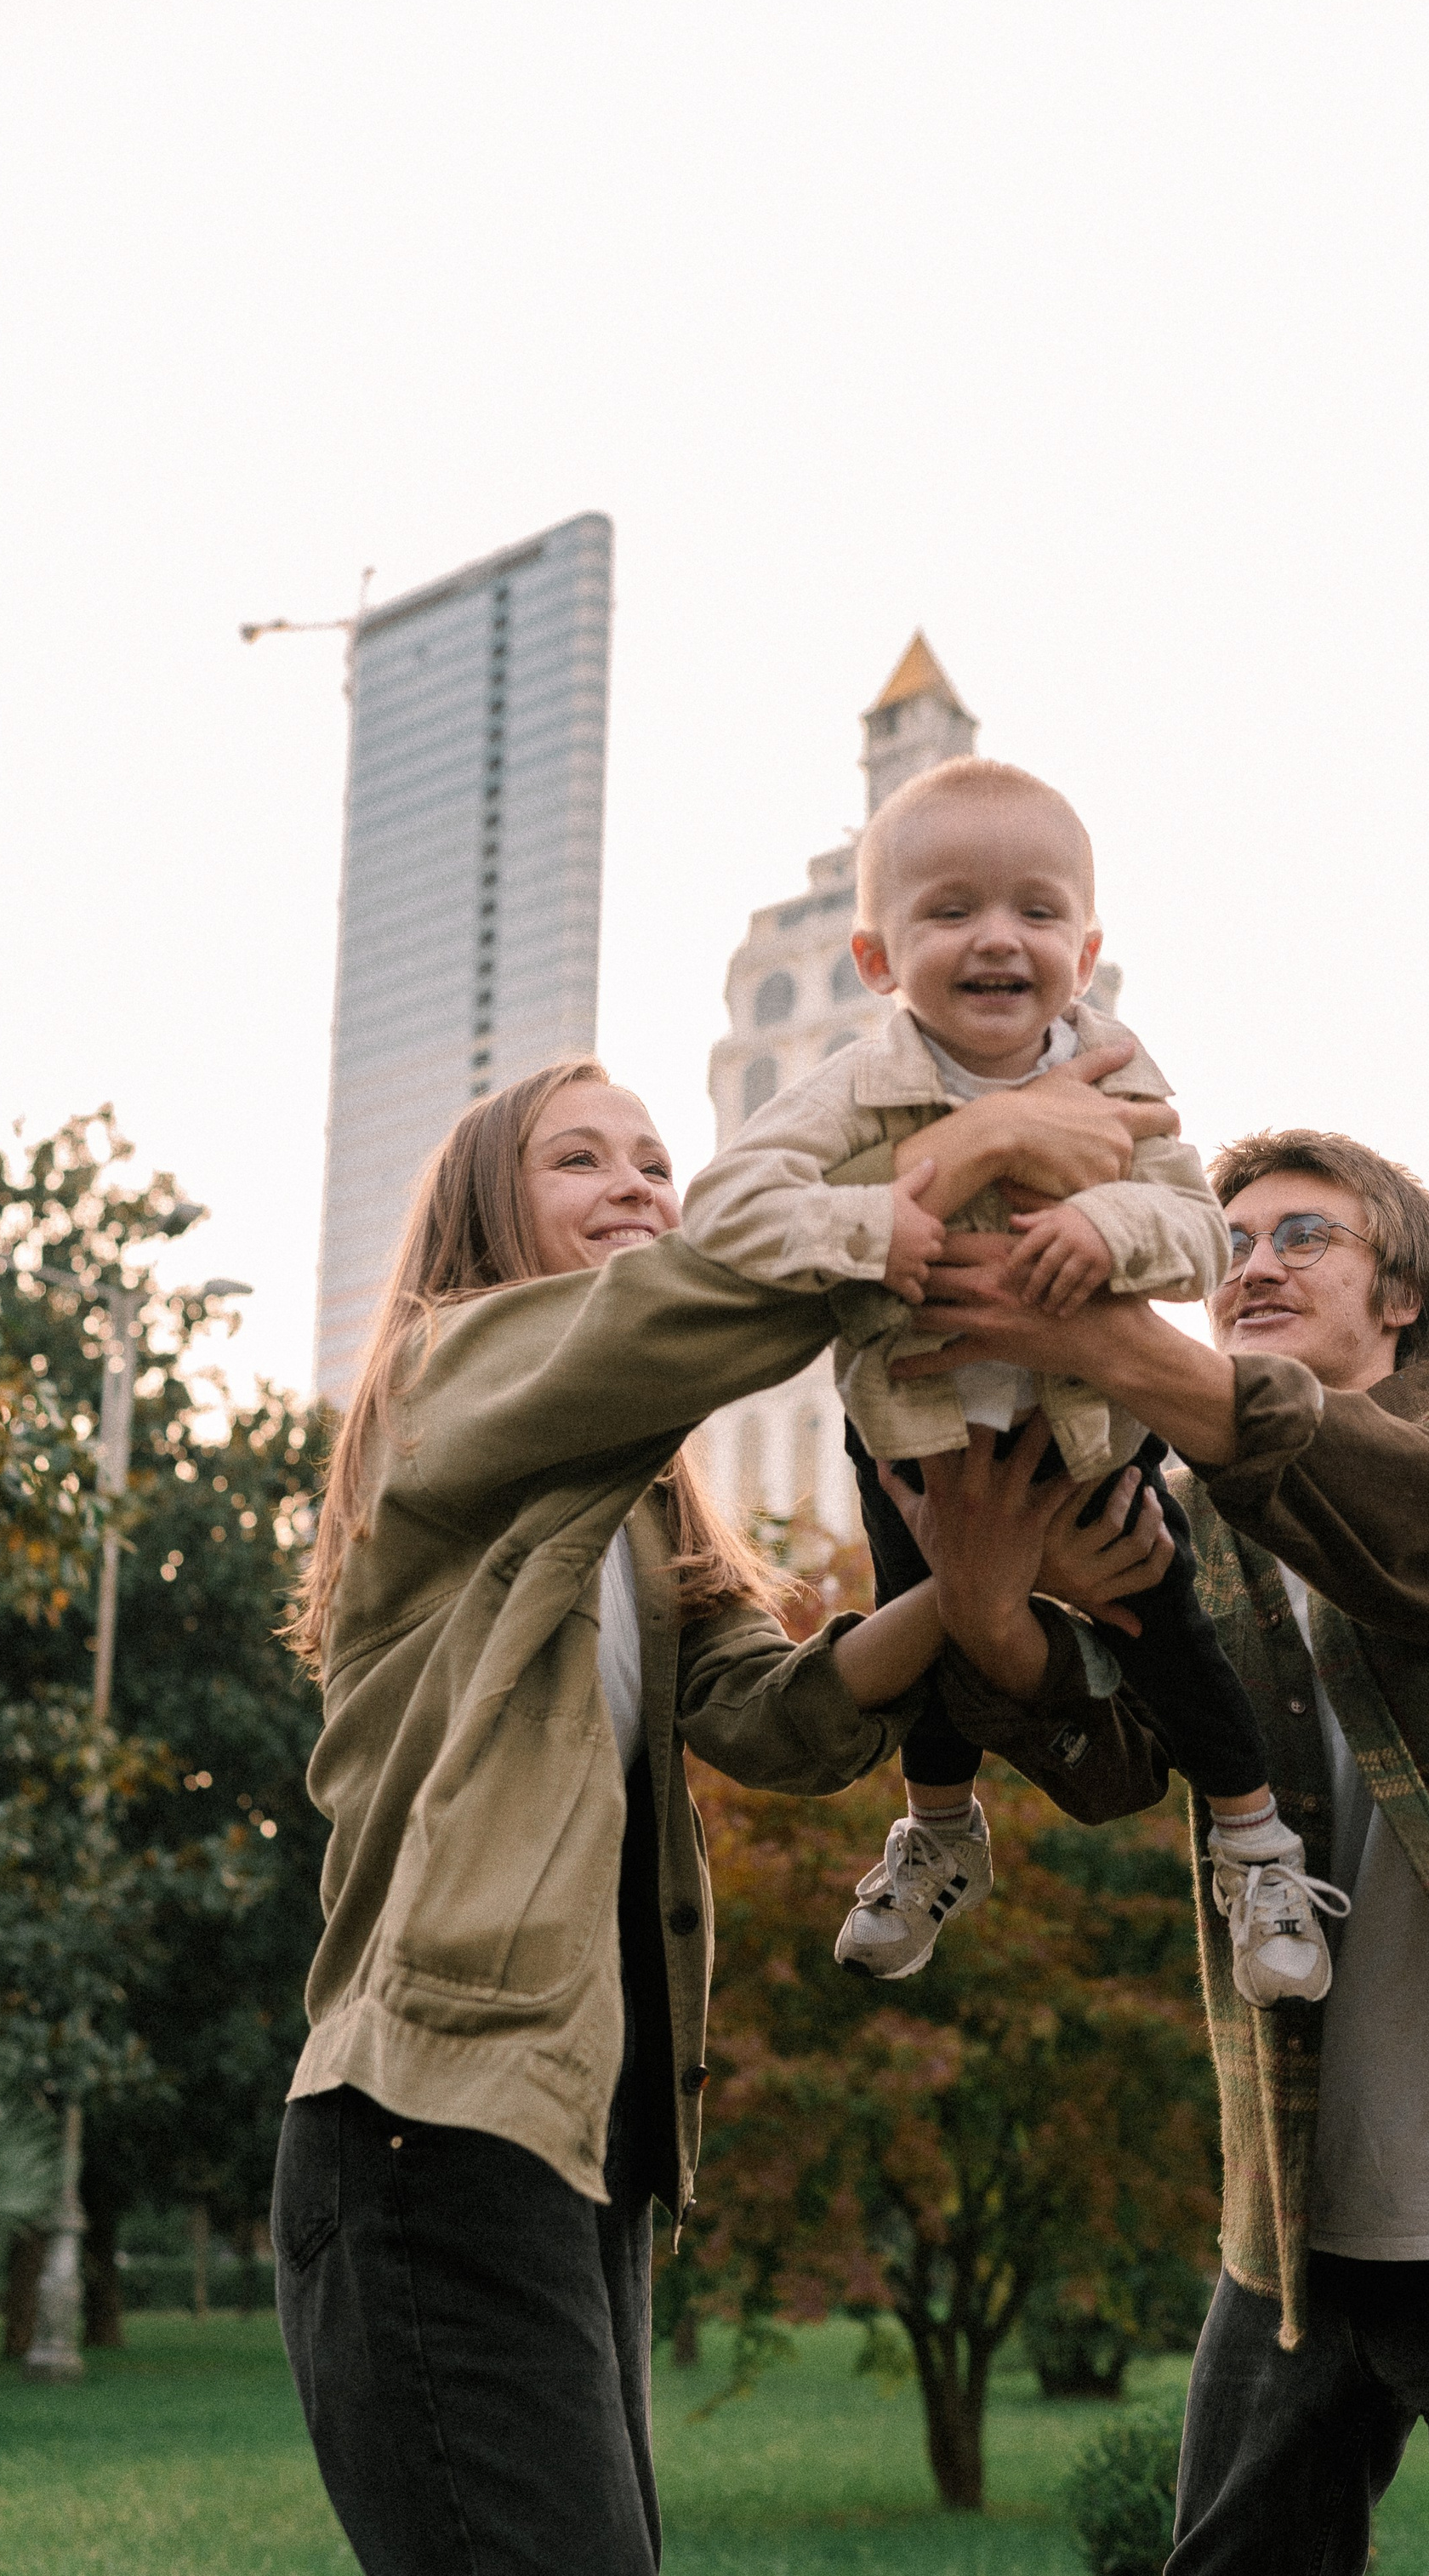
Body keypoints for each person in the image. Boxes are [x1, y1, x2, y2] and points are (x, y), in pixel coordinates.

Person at [271, 1054, 1172, 2576]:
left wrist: (965, 1594)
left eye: (653, 1159)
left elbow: (777, 1713)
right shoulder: (448, 1384)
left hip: (581, 2147)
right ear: (485, 1218)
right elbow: (674, 1315)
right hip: (427, 2125)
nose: (638, 1182)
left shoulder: (628, 1507)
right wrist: (977, 1145)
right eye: (582, 1162)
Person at [895, 1127, 1429, 2576]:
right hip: (1296, 2234)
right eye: (1229, 1241)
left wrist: (1111, 1342)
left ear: (1403, 1300)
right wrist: (993, 1600)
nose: (1253, 1264)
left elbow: (1401, 1521)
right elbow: (1113, 1757)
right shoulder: (1182, 1533)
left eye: (1302, 1236)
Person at [684, 756, 1335, 1999]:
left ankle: (1257, 1847)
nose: (998, 939)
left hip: (1084, 1435)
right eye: (951, 911)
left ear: (1083, 954)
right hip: (915, 1426)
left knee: (1166, 1628)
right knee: (912, 1623)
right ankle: (936, 1832)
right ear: (877, 960)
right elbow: (727, 1207)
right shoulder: (856, 1084)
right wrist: (873, 1226)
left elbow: (1196, 1234)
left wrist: (1108, 1231)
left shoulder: (1117, 1079)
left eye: (1035, 911)